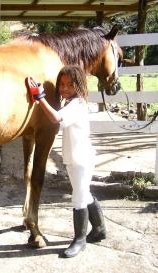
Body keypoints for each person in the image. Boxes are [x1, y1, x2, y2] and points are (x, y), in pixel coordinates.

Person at [27, 65, 106, 258]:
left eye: (70, 84)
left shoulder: (77, 105)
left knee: (79, 198)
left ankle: (79, 240)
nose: (64, 88)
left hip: (80, 160)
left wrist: (40, 97)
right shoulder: (71, 103)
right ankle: (99, 229)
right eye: (61, 84)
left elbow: (56, 118)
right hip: (75, 159)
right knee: (84, 193)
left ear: (79, 85)